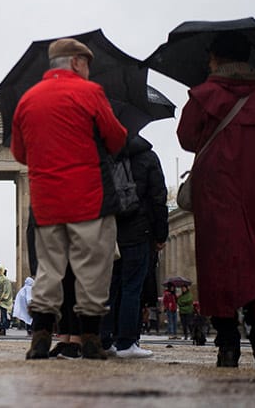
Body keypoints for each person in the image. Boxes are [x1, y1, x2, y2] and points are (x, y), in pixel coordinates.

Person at [11, 38, 127, 360]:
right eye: (87, 64)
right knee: (92, 270)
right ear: (76, 62)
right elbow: (116, 138)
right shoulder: (90, 93)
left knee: (49, 270)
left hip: (46, 202)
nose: (89, 71)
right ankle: (90, 338)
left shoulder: (27, 100)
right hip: (88, 198)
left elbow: (20, 153)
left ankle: (40, 337)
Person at [176, 32, 255, 370]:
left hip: (216, 188)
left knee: (218, 260)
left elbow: (186, 138)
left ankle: (227, 345)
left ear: (217, 58)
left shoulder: (205, 95)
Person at [100, 135, 169, 359]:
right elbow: (159, 198)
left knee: (111, 288)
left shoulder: (106, 157)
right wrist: (161, 234)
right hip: (140, 231)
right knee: (132, 289)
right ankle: (127, 343)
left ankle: (104, 340)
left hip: (111, 231)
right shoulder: (148, 157)